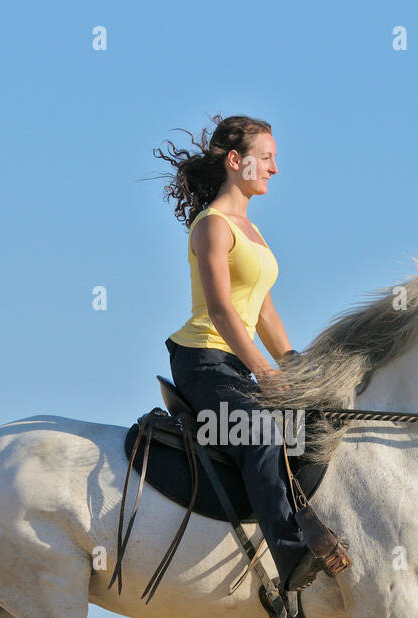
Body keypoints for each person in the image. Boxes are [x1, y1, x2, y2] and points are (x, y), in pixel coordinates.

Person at [153, 114, 324, 593]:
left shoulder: (253, 233)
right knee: (262, 435)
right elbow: (225, 313)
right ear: (236, 161)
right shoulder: (211, 226)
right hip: (204, 360)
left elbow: (263, 311)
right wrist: (265, 373)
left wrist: (295, 364)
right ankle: (290, 557)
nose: (274, 169)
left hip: (238, 361)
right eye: (266, 158)